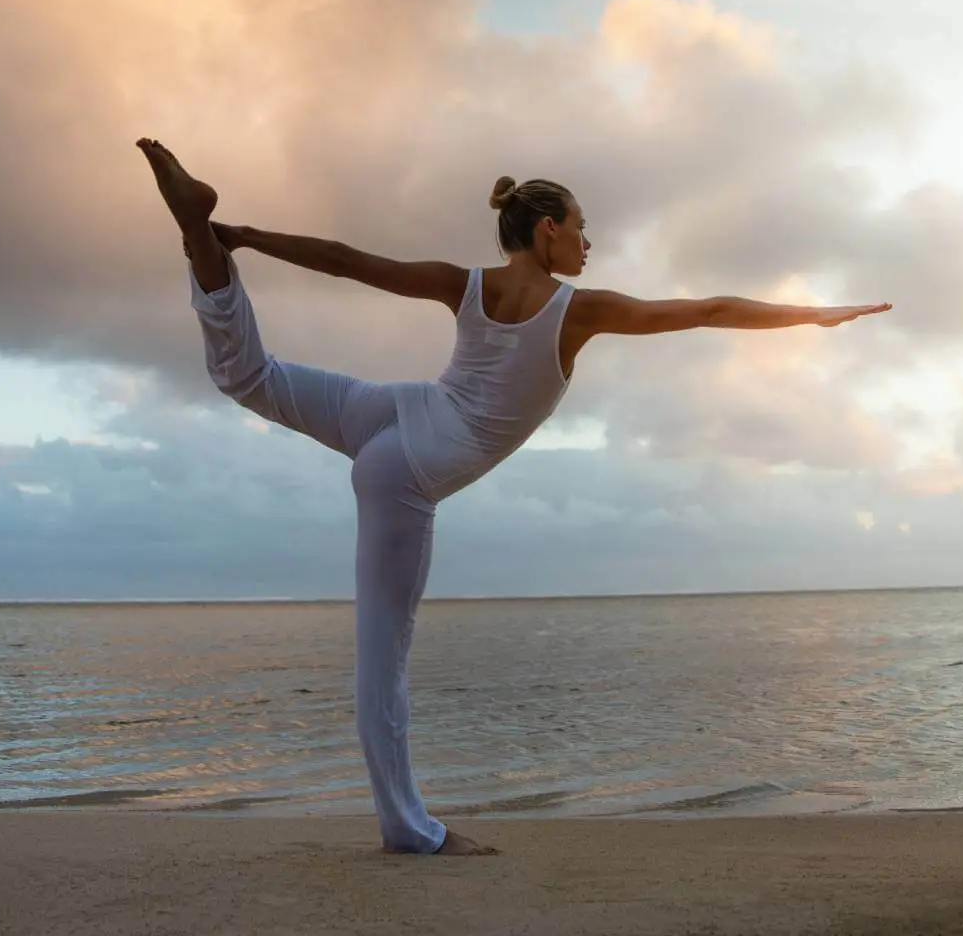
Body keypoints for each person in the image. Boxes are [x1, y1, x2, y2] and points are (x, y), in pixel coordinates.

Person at [134, 138, 891, 855]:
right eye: (584, 228)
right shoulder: (578, 310)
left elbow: (345, 262)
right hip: (411, 467)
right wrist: (811, 315)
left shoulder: (467, 283)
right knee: (383, 664)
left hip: (391, 410)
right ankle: (412, 834)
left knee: (248, 378)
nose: (589, 244)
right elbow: (707, 309)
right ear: (549, 230)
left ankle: (195, 237)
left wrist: (238, 235)